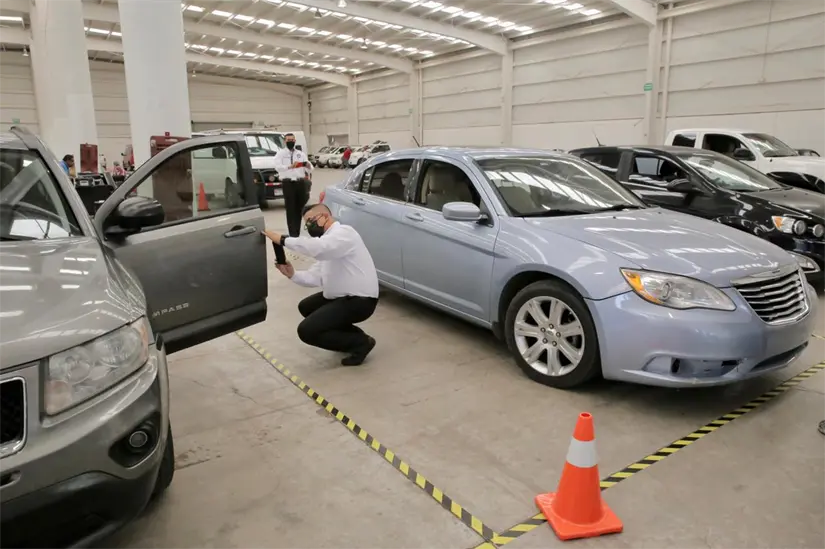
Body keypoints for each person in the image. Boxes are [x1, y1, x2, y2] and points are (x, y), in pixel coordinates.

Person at [263, 204, 379, 366]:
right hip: (343, 297)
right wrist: (292, 274)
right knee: (306, 307)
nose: (309, 226)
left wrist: (282, 239)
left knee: (306, 330)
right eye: (307, 223)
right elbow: (314, 277)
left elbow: (318, 249)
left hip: (360, 300)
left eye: (311, 221)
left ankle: (360, 343)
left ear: (325, 216)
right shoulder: (328, 245)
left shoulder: (344, 234)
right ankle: (356, 337)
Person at [274, 133, 311, 237]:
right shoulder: (280, 154)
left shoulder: (300, 154)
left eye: (292, 139)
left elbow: (309, 167)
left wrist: (307, 165)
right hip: (288, 182)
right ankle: (292, 233)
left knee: (300, 208)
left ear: (295, 141)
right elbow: (277, 167)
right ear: (285, 141)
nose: (290, 141)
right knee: (291, 208)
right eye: (288, 140)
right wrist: (289, 167)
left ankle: (297, 231)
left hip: (300, 182)